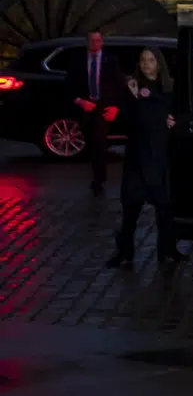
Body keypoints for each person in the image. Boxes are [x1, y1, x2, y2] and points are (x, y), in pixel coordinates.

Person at [107, 48, 182, 269]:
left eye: (150, 60)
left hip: (160, 154)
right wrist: (132, 98)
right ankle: (125, 250)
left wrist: (173, 122)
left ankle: (167, 250)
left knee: (164, 206)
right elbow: (127, 120)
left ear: (158, 63)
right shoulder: (133, 89)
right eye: (142, 61)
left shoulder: (169, 89)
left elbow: (175, 115)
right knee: (131, 206)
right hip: (139, 155)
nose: (146, 65)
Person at [69, 30, 126, 196]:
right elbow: (70, 84)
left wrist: (116, 106)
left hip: (104, 107)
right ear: (87, 42)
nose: (95, 44)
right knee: (90, 142)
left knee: (99, 142)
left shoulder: (111, 61)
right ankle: (96, 174)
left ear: (102, 42)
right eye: (91, 41)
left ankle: (99, 179)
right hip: (86, 106)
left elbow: (119, 85)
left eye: (98, 40)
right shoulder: (78, 61)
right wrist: (79, 101)